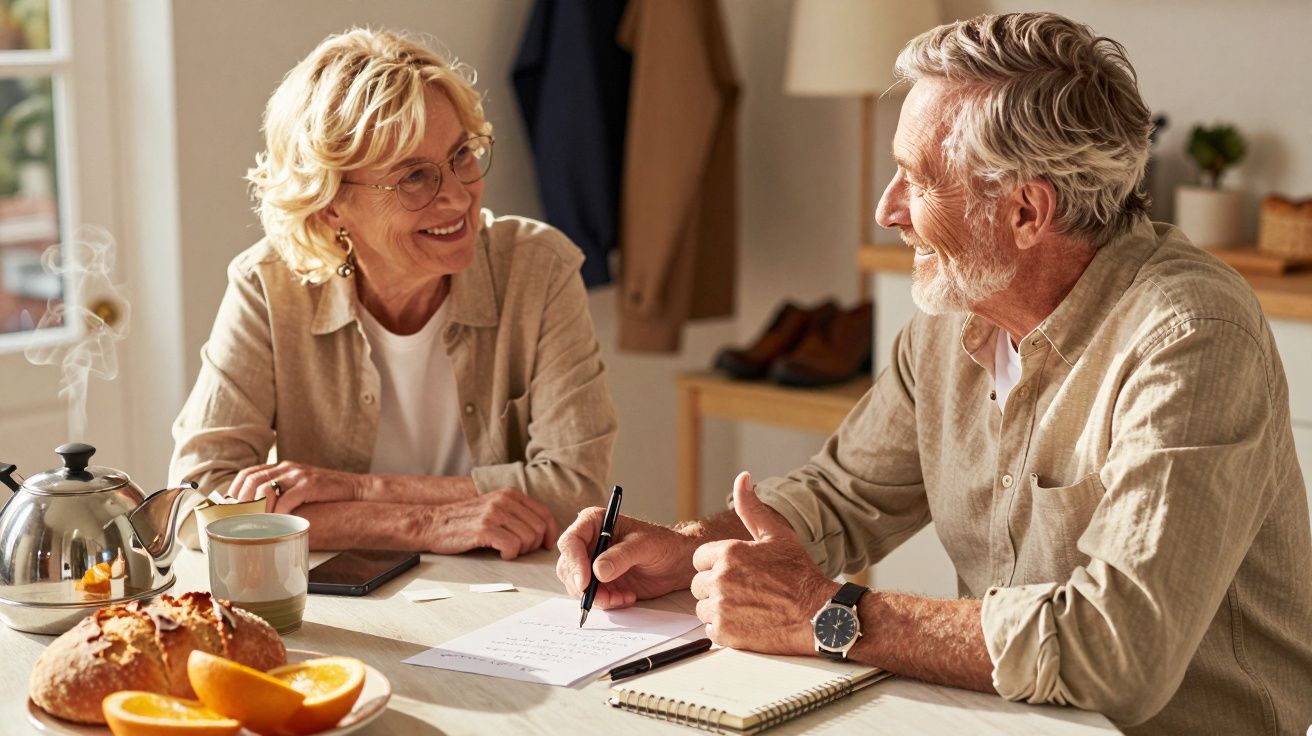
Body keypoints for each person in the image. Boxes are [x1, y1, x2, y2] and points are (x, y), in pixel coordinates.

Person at [555, 12, 1311, 735]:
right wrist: (685, 548)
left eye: (916, 180)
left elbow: (1119, 651)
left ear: (1026, 212)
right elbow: (843, 496)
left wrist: (826, 613)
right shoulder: (957, 313)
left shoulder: (1191, 338)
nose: (886, 210)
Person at [171, 28, 617, 560]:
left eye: (462, 155)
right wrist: (421, 523)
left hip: (512, 587)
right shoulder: (268, 287)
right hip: (338, 597)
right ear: (330, 205)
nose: (458, 197)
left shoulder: (539, 268)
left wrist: (359, 491)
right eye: (413, 178)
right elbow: (196, 506)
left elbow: (576, 491)